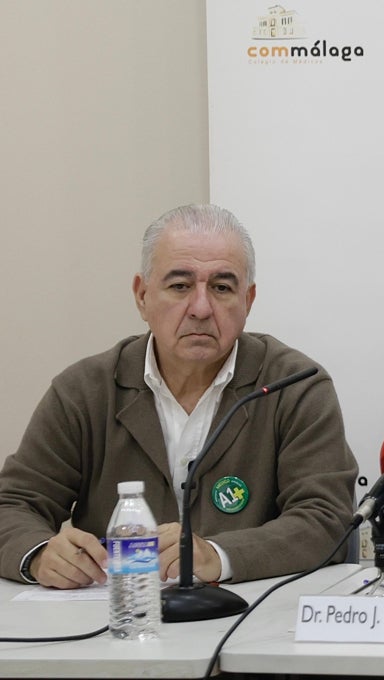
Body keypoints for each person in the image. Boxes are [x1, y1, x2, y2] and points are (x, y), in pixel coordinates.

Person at [0, 204, 357, 589]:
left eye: (222, 288)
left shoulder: (295, 386)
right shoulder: (85, 391)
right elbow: (13, 505)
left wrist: (218, 556)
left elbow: (325, 519)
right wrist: (37, 554)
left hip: (250, 625)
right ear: (142, 296)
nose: (201, 309)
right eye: (180, 286)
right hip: (115, 626)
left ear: (248, 301)